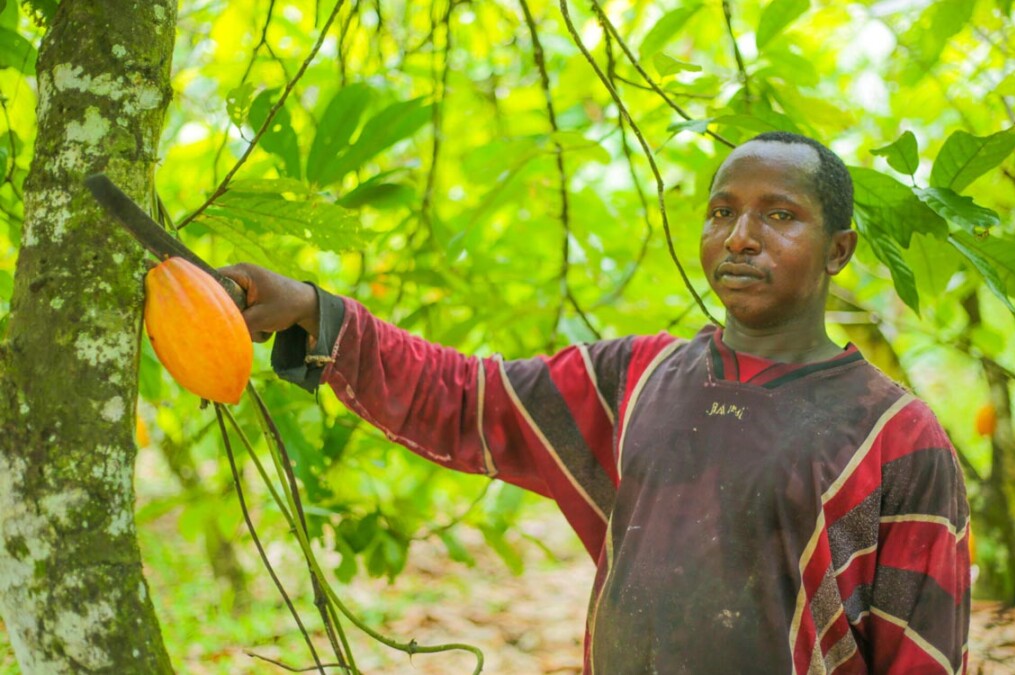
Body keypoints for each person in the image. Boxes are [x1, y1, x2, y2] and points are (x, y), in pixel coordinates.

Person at [221, 131, 970, 674]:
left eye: (779, 215)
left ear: (838, 250)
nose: (740, 237)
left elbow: (924, 653)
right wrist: (312, 310)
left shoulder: (896, 434)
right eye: (721, 212)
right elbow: (461, 398)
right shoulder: (636, 378)